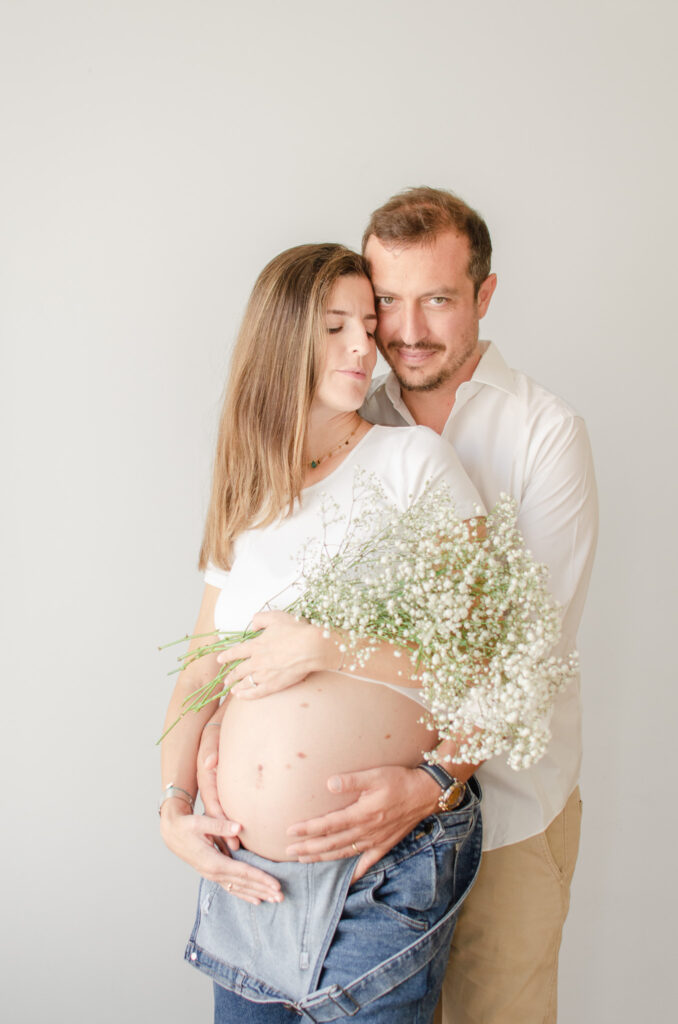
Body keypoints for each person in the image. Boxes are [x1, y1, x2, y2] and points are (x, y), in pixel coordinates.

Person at [197, 188, 598, 1024]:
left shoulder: (544, 432)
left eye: (438, 300)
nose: (404, 330)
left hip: (508, 811)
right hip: (338, 846)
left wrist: (433, 780)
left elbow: (526, 652)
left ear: (484, 297)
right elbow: (255, 619)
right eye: (387, 303)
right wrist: (208, 749)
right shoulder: (349, 418)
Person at [159, 242, 486, 1023]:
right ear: (282, 338)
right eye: (334, 325)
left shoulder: (414, 464)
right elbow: (198, 674)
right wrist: (171, 806)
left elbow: (488, 665)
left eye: (365, 325)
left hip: (379, 872)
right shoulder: (248, 491)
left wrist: (326, 647)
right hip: (245, 877)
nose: (362, 346)